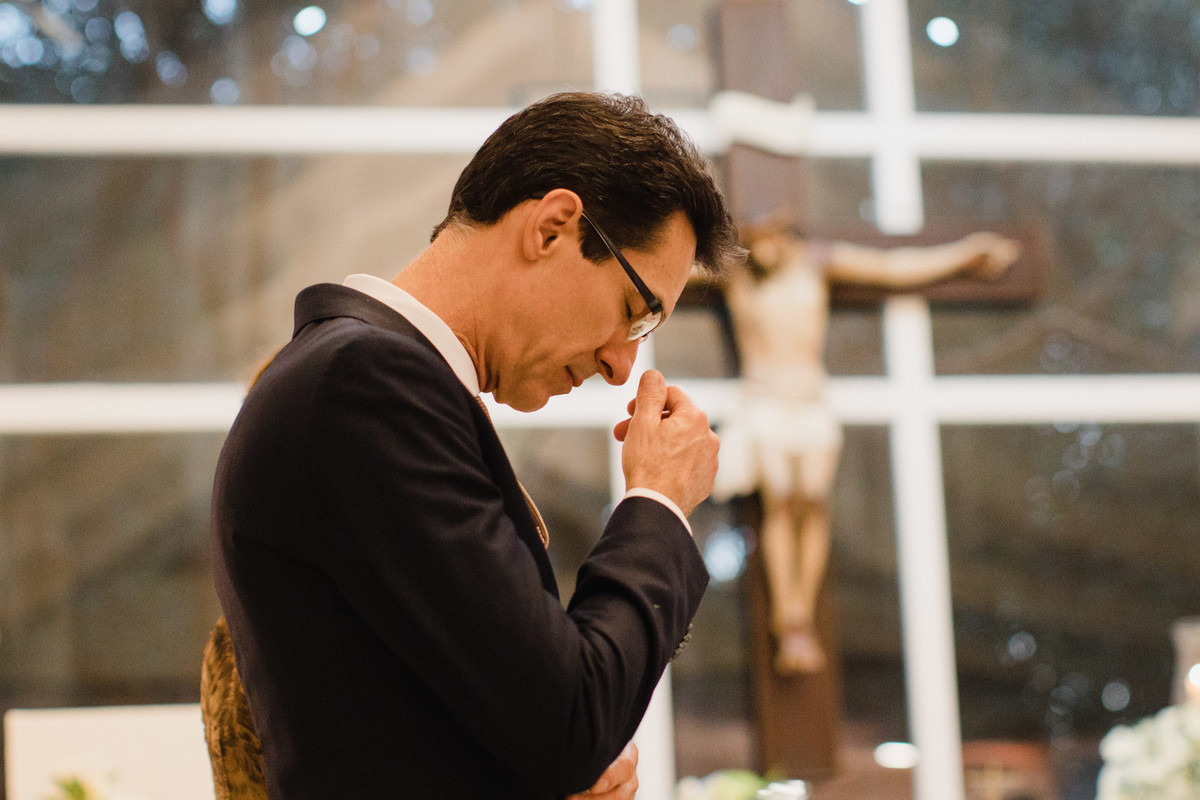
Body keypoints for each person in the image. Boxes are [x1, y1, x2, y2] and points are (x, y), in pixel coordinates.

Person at [210, 92, 743, 800]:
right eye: (633, 312)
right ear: (552, 227)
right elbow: (570, 723)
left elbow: (441, 730)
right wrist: (659, 504)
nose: (622, 365)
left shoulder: (361, 380)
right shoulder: (368, 383)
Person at [707, 222, 1021, 674]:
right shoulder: (736, 274)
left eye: (770, 244)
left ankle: (803, 619)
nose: (763, 255)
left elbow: (893, 267)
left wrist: (963, 255)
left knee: (812, 504)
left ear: (787, 236)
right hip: (763, 402)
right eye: (754, 246)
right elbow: (669, 266)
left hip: (809, 401)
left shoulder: (817, 264)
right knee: (779, 501)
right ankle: (789, 620)